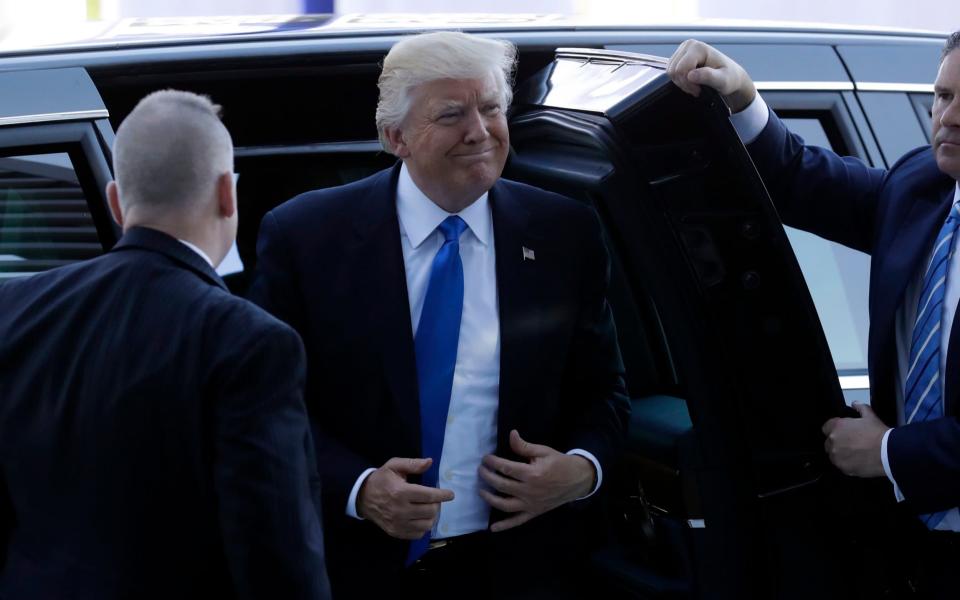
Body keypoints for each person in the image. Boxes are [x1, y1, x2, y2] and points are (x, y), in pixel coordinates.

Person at [249, 31, 630, 598]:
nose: (479, 132)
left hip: (516, 568)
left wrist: (581, 470)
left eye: (492, 108)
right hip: (351, 567)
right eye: (452, 114)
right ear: (395, 136)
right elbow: (265, 404)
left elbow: (604, 394)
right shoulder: (305, 236)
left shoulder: (562, 233)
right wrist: (356, 487)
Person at [0, 90, 331, 600]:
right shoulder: (248, 342)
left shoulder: (13, 306)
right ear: (228, 194)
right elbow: (276, 554)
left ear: (115, 200)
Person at [668, 32, 960, 596]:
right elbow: (806, 178)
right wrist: (743, 100)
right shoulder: (921, 187)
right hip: (912, 552)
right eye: (943, 95)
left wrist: (888, 452)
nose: (948, 117)